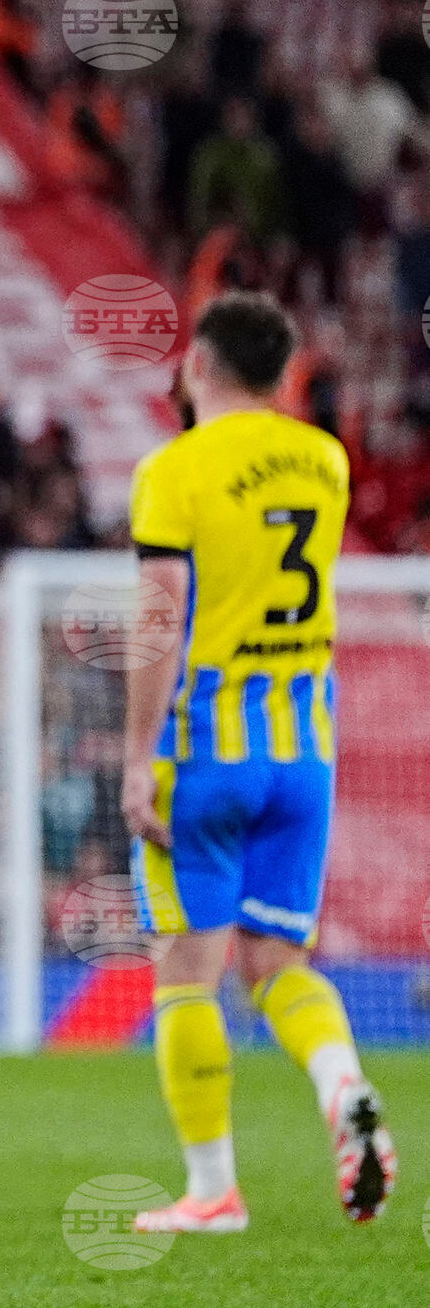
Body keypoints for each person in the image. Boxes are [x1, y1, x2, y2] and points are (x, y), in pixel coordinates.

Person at [121, 291, 394, 1234]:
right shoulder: (326, 460)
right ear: (284, 374)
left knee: (186, 971)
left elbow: (162, 612)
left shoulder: (173, 468)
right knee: (277, 959)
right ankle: (342, 1080)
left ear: (198, 362)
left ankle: (213, 1189)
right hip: (303, 752)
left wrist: (137, 755)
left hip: (206, 749)